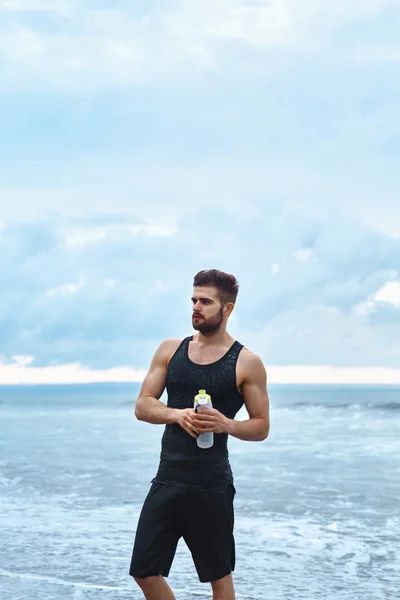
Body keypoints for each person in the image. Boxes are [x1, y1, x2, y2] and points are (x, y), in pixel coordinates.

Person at [129, 269, 270, 600]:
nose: (196, 307)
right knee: (144, 571)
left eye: (205, 302)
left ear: (227, 309)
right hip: (167, 479)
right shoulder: (170, 350)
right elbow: (143, 405)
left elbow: (261, 425)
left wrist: (227, 425)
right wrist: (176, 414)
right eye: (194, 300)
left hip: (211, 485)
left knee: (218, 578)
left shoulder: (247, 362)